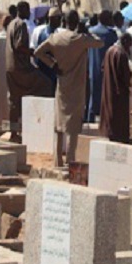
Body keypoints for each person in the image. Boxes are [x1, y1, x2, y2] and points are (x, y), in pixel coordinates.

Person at [34, 10, 103, 166]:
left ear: (64, 22)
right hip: (77, 87)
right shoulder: (80, 39)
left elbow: (38, 52)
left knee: (58, 124)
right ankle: (70, 160)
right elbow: (100, 43)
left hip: (61, 83)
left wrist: (53, 64)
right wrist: (87, 32)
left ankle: (57, 160)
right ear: (77, 22)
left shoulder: (55, 38)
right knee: (73, 125)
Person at [6, 1, 50, 127]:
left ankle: (13, 129)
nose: (29, 13)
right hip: (21, 68)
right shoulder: (21, 24)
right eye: (27, 10)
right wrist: (33, 52)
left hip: (10, 67)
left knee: (15, 98)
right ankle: (39, 124)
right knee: (46, 84)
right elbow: (19, 46)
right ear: (21, 10)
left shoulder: (11, 24)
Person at [100, 33, 132, 143]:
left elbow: (103, 67)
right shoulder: (121, 54)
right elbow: (125, 76)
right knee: (119, 118)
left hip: (108, 89)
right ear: (125, 42)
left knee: (110, 115)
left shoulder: (109, 50)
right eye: (129, 45)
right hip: (119, 92)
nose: (129, 48)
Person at [86, 10, 118, 123]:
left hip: (91, 68)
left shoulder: (90, 32)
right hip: (106, 70)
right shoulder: (111, 35)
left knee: (92, 96)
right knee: (107, 98)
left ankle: (89, 121)